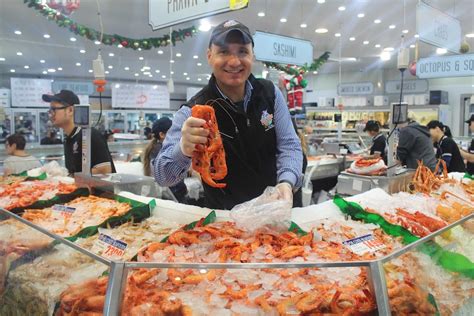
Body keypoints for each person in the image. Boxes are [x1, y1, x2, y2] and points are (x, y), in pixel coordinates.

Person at [154, 20, 303, 210]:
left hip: (273, 211)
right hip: (224, 221)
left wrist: (287, 181)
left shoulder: (270, 93)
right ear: (209, 56)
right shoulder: (193, 110)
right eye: (224, 51)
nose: (234, 62)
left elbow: (289, 144)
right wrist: (183, 148)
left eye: (242, 51)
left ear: (253, 56)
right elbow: (162, 176)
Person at [42, 90, 116, 175]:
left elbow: (104, 170)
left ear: (70, 110)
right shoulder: (69, 139)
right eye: (50, 111)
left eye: (54, 109)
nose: (51, 114)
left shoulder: (89, 135)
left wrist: (70, 177)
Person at [143, 117, 188, 203]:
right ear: (162, 135)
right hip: (172, 197)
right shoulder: (162, 151)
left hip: (168, 196)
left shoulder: (156, 148)